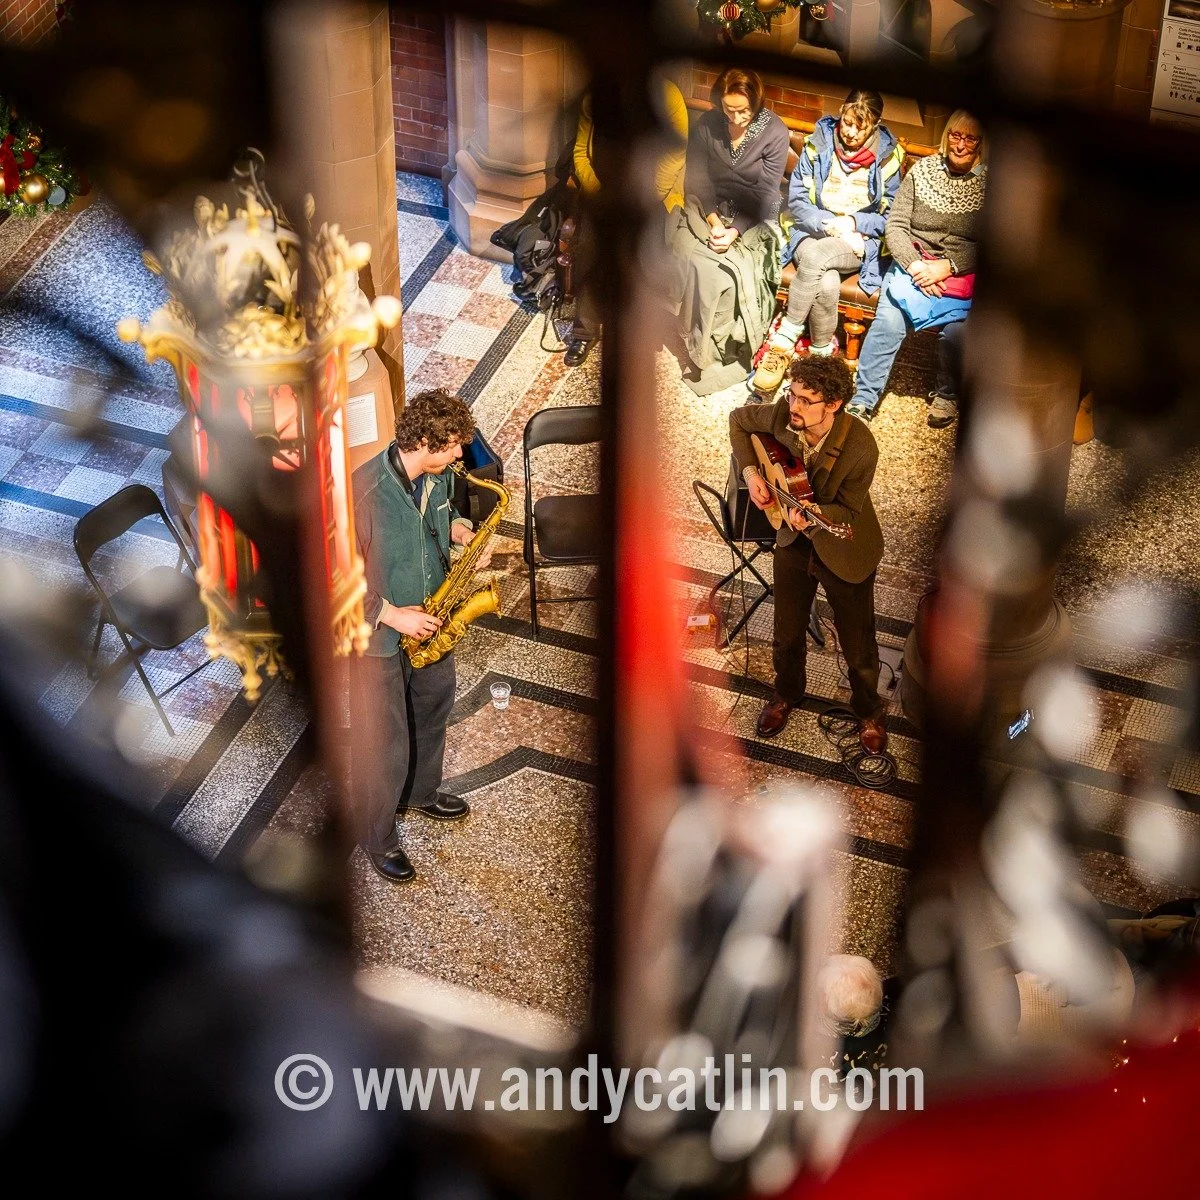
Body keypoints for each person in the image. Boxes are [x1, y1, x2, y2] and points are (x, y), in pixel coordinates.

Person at [349, 389, 479, 884]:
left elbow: (440, 520)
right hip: (380, 636)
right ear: (423, 442)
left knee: (431, 709)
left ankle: (421, 793)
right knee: (385, 740)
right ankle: (376, 836)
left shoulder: (439, 475)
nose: (459, 456)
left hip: (432, 621)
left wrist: (461, 532)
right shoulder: (364, 494)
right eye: (450, 447)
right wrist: (390, 615)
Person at [730, 356, 887, 750]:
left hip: (842, 544)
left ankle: (868, 710)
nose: (793, 407)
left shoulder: (860, 447)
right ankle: (787, 693)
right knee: (786, 630)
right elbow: (738, 420)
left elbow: (848, 512)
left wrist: (815, 515)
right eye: (792, 395)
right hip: (793, 541)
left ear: (832, 404)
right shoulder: (785, 412)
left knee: (858, 644)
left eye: (805, 400)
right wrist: (752, 473)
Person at [752, 90, 904, 395]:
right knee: (827, 282)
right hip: (812, 231)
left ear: (874, 125)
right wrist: (829, 224)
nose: (850, 132)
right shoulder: (818, 144)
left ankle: (783, 341)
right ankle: (820, 358)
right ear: (841, 113)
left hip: (857, 241)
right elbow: (797, 201)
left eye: (860, 127)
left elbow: (892, 217)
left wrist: (854, 223)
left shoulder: (888, 157)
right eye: (847, 122)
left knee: (819, 259)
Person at [846, 110, 987, 428]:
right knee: (887, 320)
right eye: (955, 134)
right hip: (914, 268)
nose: (960, 144)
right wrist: (915, 265)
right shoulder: (923, 171)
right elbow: (895, 226)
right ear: (946, 135)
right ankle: (863, 400)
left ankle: (947, 395)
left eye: (970, 137)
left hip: (959, 277)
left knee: (957, 333)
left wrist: (948, 266)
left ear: (981, 143)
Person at [667, 68, 789, 395]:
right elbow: (698, 179)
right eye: (729, 110)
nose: (735, 119)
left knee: (734, 271)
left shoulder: (775, 132)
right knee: (697, 260)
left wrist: (735, 231)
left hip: (755, 213)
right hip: (711, 208)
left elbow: (766, 192)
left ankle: (725, 345)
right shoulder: (707, 125)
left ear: (757, 103)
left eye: (744, 111)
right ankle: (702, 344)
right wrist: (713, 221)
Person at [564, 77, 689, 367]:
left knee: (646, 252)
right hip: (605, 195)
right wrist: (601, 196)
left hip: (653, 197)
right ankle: (585, 330)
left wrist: (641, 201)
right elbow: (581, 153)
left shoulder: (668, 96)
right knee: (588, 247)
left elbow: (673, 158)